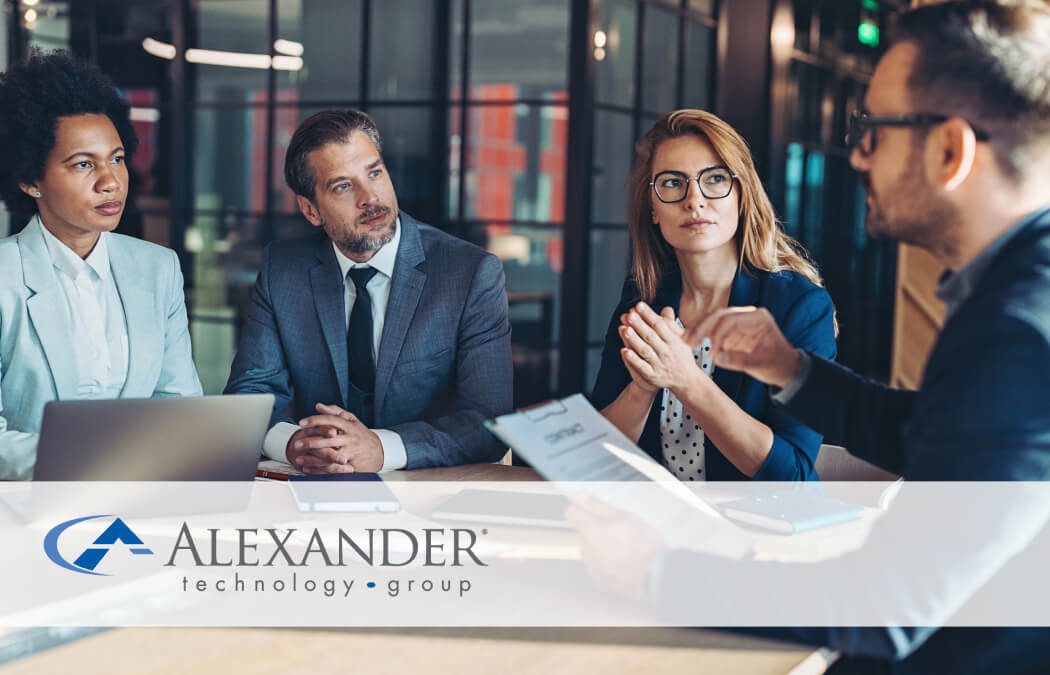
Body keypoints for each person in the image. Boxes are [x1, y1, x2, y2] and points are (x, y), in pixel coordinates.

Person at [568, 1, 1050, 672]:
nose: (856, 153)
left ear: (948, 151)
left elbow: (884, 605)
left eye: (875, 130)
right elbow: (927, 426)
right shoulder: (1015, 296)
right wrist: (790, 368)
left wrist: (657, 572)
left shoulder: (1018, 331)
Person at [225, 109, 512, 473]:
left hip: (429, 493)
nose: (369, 197)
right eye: (342, 186)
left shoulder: (469, 274)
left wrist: (380, 449)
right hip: (315, 486)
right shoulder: (284, 269)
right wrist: (294, 443)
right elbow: (251, 394)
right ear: (310, 210)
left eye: (374, 173)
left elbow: (488, 419)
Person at [590, 109, 836, 481]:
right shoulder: (643, 299)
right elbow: (597, 458)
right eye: (672, 183)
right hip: (654, 527)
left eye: (715, 179)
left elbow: (794, 477)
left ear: (741, 195)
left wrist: (686, 379)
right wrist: (642, 389)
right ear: (653, 208)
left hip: (760, 530)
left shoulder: (801, 308)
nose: (694, 200)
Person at [0, 50, 203, 480]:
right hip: (25, 511)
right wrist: (94, 460)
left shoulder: (157, 268)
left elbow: (178, 404)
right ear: (30, 179)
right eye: (83, 164)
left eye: (117, 158)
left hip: (140, 500)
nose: (110, 180)